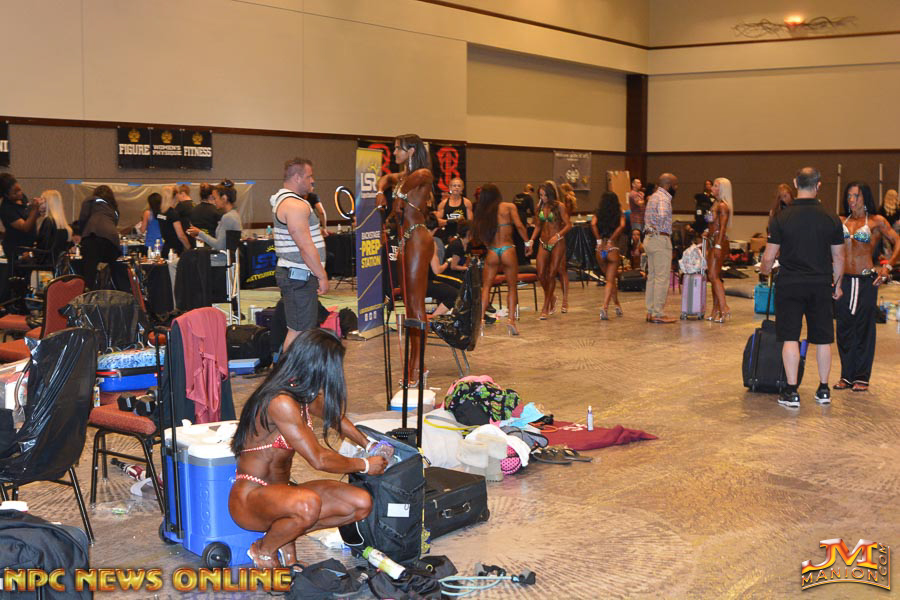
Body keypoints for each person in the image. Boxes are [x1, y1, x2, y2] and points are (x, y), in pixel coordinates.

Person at [229, 329, 386, 568]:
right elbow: (318, 459)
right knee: (308, 504)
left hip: (283, 494)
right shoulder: (280, 401)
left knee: (361, 503)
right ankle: (264, 550)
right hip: (250, 499)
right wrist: (364, 465)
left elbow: (334, 415)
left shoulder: (300, 392)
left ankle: (284, 536)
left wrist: (369, 444)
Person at [760, 167, 844, 409]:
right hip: (820, 284)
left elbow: (769, 256)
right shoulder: (831, 217)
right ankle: (824, 389)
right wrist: (837, 285)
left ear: (796, 183)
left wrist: (765, 269)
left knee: (790, 337)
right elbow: (839, 257)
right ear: (819, 185)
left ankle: (792, 391)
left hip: (790, 284)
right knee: (824, 339)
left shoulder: (781, 218)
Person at [832, 181, 900, 392]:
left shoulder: (876, 221)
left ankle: (861, 376)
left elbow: (898, 241)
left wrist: (887, 267)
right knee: (843, 328)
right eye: (849, 196)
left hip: (866, 280)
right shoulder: (840, 221)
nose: (852, 200)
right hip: (844, 280)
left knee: (864, 328)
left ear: (865, 197)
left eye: (856, 195)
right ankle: (846, 375)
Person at [376, 134, 433, 383]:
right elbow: (386, 179)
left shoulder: (422, 174)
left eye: (398, 149)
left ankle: (417, 367)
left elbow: (415, 179)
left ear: (410, 151)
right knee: (408, 304)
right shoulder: (401, 176)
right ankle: (415, 365)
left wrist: (398, 193)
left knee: (416, 304)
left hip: (418, 238)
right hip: (405, 240)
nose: (394, 153)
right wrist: (381, 190)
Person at [272, 158, 329, 352]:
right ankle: (289, 371)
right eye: (309, 176)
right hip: (299, 276)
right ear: (297, 177)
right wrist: (322, 275)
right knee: (299, 331)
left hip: (299, 276)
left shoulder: (289, 201)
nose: (312, 180)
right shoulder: (294, 205)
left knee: (302, 329)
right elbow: (305, 246)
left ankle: (295, 370)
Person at [474, 184, 528, 335]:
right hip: (507, 248)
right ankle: (511, 321)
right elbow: (520, 226)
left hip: (492, 250)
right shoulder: (508, 207)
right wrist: (528, 242)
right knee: (512, 287)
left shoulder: (483, 211)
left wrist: (488, 246)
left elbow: (479, 235)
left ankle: (480, 321)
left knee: (486, 287)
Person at [528, 180, 571, 320]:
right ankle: (551, 297)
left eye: (545, 195)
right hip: (543, 241)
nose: (543, 198)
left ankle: (546, 307)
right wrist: (531, 241)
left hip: (557, 242)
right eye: (541, 195)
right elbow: (538, 226)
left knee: (553, 273)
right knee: (541, 273)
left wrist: (557, 235)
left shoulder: (559, 206)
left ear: (550, 194)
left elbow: (568, 225)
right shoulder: (540, 207)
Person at [644, 173, 679, 323]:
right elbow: (662, 215)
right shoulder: (664, 198)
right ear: (668, 185)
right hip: (660, 240)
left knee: (652, 277)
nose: (676, 188)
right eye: (675, 185)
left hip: (649, 239)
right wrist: (659, 228)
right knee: (662, 278)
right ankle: (658, 313)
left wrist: (651, 229)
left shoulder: (653, 197)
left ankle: (650, 311)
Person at [75, 184, 121, 290]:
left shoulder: (90, 201)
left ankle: (88, 293)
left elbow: (83, 219)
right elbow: (114, 223)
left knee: (89, 270)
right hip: (112, 241)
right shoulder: (114, 208)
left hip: (93, 237)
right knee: (112, 270)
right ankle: (111, 291)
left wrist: (81, 233)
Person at [187, 183, 242, 266]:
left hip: (222, 259)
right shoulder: (234, 215)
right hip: (224, 257)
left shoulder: (228, 217)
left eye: (215, 198)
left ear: (224, 198)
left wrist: (200, 233)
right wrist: (202, 237)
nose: (214, 201)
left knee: (183, 261)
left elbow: (219, 245)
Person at [591, 191, 625, 320]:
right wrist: (612, 239)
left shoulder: (598, 212)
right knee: (610, 281)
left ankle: (617, 304)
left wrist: (599, 240)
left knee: (609, 280)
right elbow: (622, 225)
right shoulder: (619, 213)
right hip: (612, 249)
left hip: (601, 250)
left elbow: (593, 224)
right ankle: (605, 307)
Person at [705, 177, 733, 323]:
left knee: (713, 275)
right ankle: (715, 309)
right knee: (712, 276)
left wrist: (718, 245)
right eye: (713, 185)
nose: (712, 188)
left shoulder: (723, 206)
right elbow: (713, 224)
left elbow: (722, 227)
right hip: (712, 240)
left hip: (718, 241)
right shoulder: (715, 204)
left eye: (716, 186)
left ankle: (724, 307)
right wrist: (707, 232)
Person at [0, 173, 42, 266]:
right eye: (15, 193)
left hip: (28, 246)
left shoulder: (22, 198)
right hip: (16, 249)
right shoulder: (6, 209)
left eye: (19, 189)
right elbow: (25, 227)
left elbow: (30, 217)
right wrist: (34, 210)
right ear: (6, 195)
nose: (20, 193)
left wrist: (39, 211)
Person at [34, 189, 72, 265]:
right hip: (57, 266)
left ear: (48, 203)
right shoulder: (65, 227)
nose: (39, 204)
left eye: (42, 200)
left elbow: (43, 247)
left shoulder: (48, 221)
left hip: (44, 265)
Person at [157, 185, 190, 258]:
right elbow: (181, 235)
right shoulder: (173, 213)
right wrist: (189, 247)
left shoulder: (160, 213)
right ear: (175, 196)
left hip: (166, 247)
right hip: (175, 250)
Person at [512, 184, 535, 264]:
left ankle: (516, 258)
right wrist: (532, 223)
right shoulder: (529, 197)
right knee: (523, 238)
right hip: (522, 218)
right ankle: (524, 259)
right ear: (531, 191)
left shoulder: (516, 196)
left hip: (514, 218)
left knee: (516, 239)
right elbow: (532, 211)